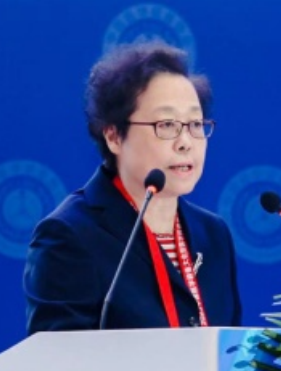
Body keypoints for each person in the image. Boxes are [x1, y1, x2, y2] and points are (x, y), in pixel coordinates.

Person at [23, 42, 242, 334]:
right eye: (166, 125)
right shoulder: (69, 236)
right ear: (114, 136)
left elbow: (229, 351)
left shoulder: (214, 235)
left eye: (195, 124)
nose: (185, 142)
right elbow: (58, 359)